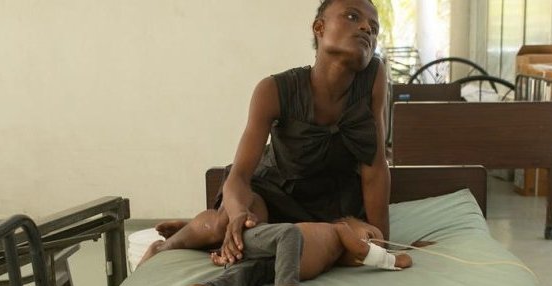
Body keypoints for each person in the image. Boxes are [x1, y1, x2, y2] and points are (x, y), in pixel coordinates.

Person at [141, 0, 390, 267]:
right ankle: (169, 244)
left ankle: (208, 229)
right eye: (352, 17)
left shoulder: (373, 77)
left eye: (374, 28)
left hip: (335, 202)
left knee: (356, 247)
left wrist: (385, 246)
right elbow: (238, 177)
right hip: (275, 194)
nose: (366, 28)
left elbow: (375, 166)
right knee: (234, 224)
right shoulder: (273, 90)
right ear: (319, 28)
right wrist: (237, 212)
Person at [187, 217, 412, 286]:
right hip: (266, 238)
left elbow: (360, 254)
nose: (368, 245)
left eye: (376, 246)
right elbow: (362, 250)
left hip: (269, 261)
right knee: (290, 231)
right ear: (349, 223)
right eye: (370, 236)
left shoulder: (330, 260)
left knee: (248, 274)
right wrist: (392, 260)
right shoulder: (340, 229)